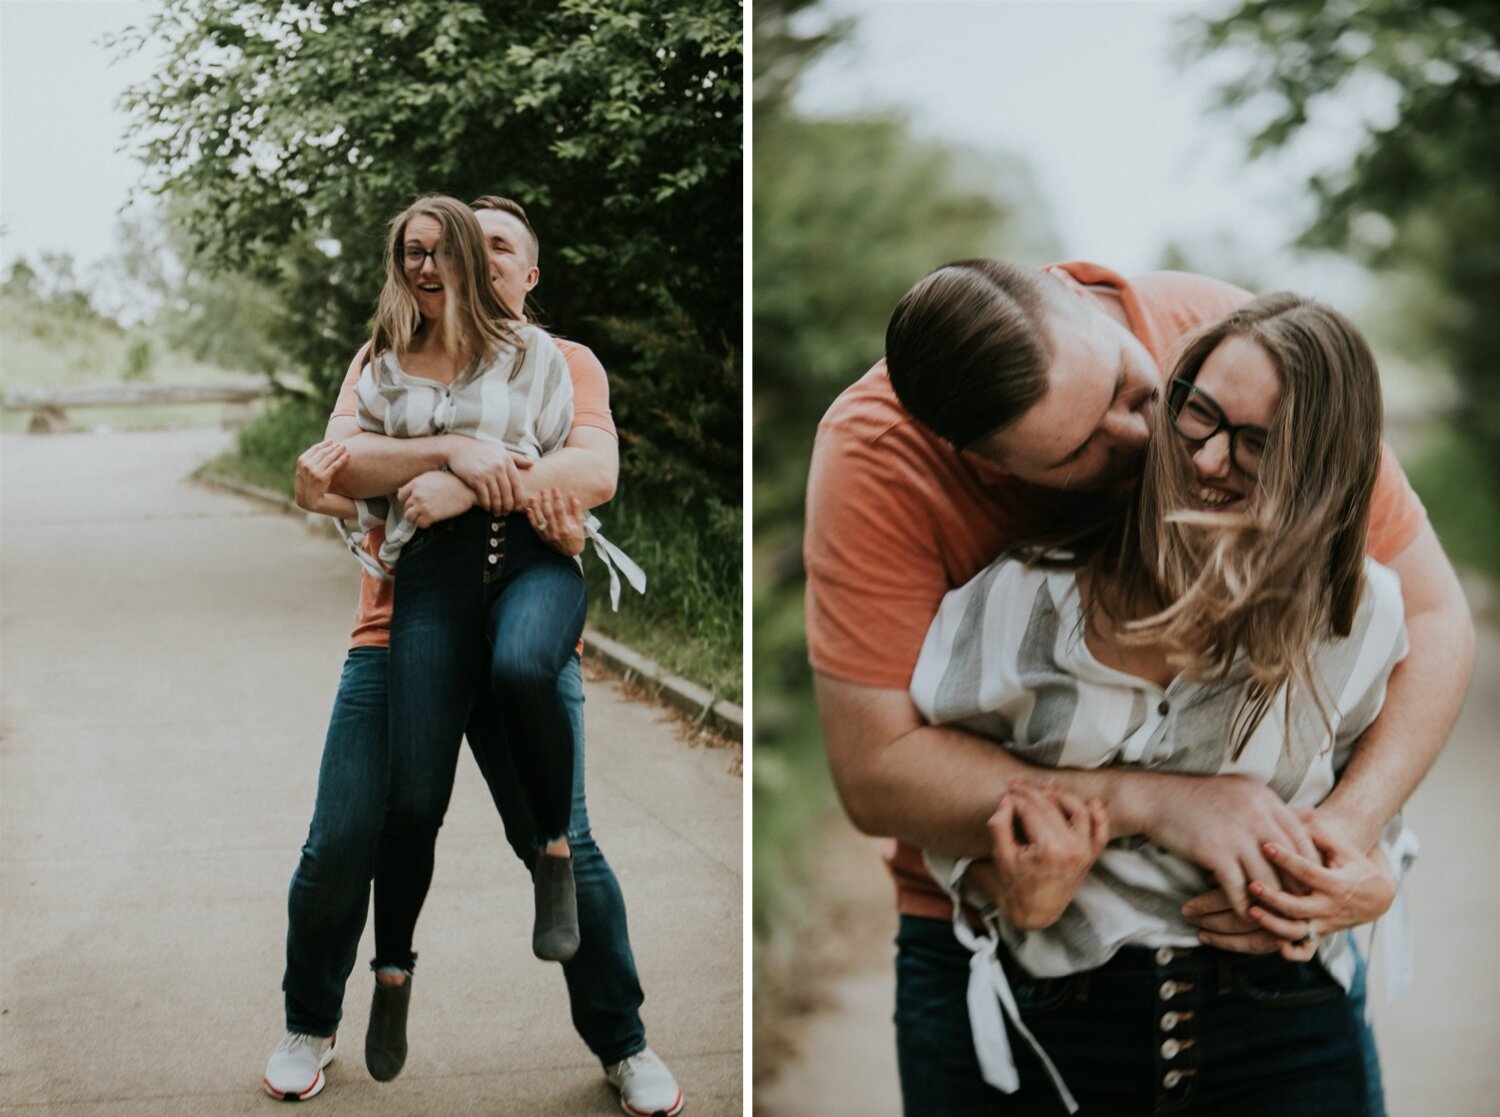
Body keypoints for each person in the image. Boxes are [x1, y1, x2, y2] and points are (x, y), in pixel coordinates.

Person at [802, 260, 1474, 1112]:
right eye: (1078, 450)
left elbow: (1434, 617)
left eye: (1134, 388)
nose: (1151, 440)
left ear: (1098, 315)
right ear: (986, 465)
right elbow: (877, 769)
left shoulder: (1239, 363)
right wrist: (1151, 803)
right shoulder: (885, 466)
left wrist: (1348, 833)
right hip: (1013, 953)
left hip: (1275, 1004)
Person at [264, 196, 682, 1117]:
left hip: (523, 631)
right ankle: (309, 1019)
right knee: (344, 837)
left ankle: (624, 1041)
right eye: (467, 243)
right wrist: (443, 462)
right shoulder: (385, 356)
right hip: (394, 629)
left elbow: (594, 472)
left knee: (567, 847)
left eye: (504, 248)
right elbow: (336, 468)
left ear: (530, 275)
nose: (479, 258)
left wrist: (456, 480)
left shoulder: (563, 362)